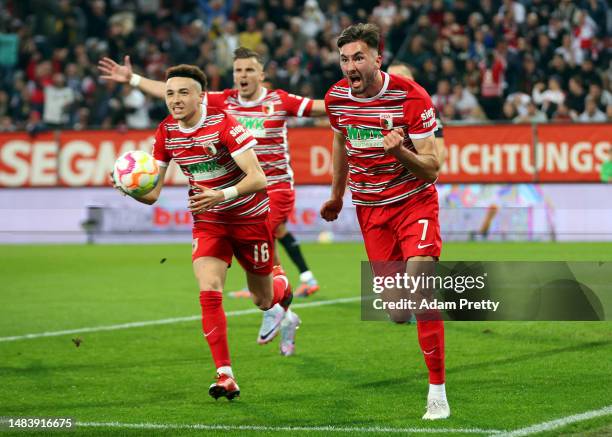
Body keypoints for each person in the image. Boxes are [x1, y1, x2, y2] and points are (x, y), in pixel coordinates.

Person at [99, 49, 324, 340]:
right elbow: (176, 92)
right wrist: (133, 79)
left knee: (264, 229)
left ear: (262, 75)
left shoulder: (278, 100)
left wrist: (363, 101)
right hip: (233, 188)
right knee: (268, 243)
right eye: (238, 71)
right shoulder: (223, 100)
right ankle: (277, 291)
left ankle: (273, 297)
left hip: (273, 185)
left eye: (249, 70)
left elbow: (322, 107)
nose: (243, 76)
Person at [111, 65, 294, 398]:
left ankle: (282, 287)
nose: (175, 100)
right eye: (169, 93)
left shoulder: (223, 124)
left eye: (183, 92)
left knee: (263, 299)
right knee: (208, 289)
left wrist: (220, 194)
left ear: (200, 95)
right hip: (210, 222)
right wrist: (130, 188)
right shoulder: (166, 132)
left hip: (250, 219)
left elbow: (258, 178)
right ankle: (225, 375)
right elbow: (153, 195)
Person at [320, 24, 449, 420]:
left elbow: (432, 169)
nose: (350, 66)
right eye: (344, 59)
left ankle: (437, 391)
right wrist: (338, 195)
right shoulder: (336, 99)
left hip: (414, 204)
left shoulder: (412, 98)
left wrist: (400, 153)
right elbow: (340, 142)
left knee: (420, 284)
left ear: (378, 58)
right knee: (396, 311)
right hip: (370, 210)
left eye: (358, 57)